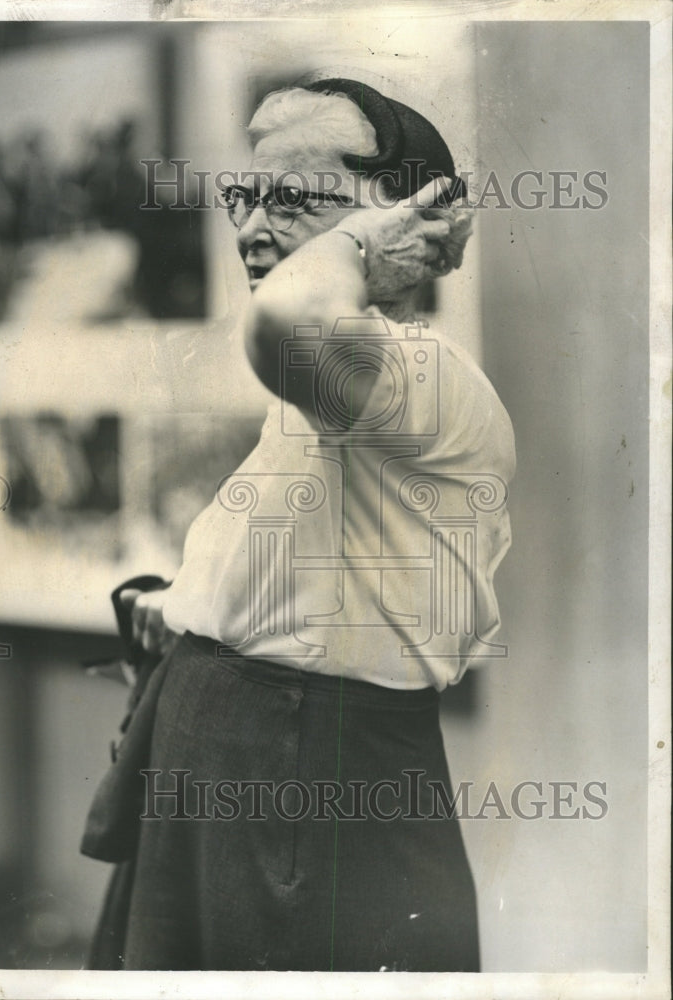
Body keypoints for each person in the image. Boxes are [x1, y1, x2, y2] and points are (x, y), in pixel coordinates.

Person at [82, 77, 515, 973]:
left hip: (307, 788)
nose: (248, 228)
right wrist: (193, 604)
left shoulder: (422, 378)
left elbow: (280, 318)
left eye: (295, 200)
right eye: (247, 196)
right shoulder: (337, 396)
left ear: (410, 222)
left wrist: (363, 242)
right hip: (222, 761)